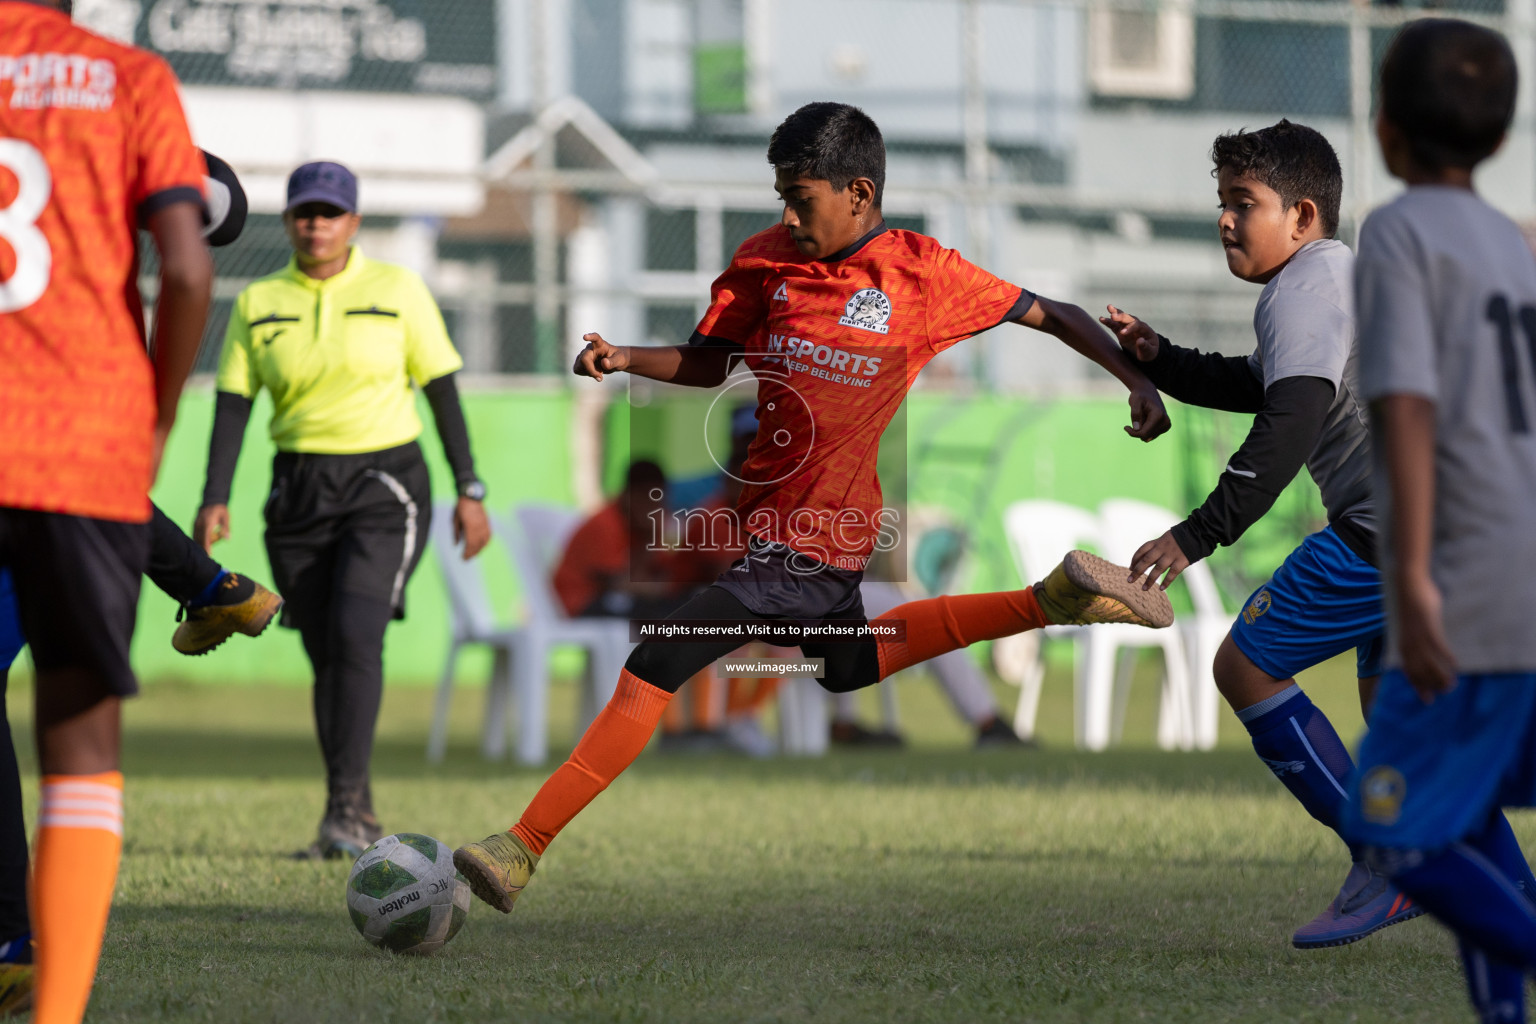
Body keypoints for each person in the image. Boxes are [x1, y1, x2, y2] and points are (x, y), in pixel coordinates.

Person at [453, 101, 1176, 914]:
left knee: (658, 657)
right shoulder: (764, 262)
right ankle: (1049, 601)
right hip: (769, 531)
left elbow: (1054, 313)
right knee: (849, 665)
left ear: (859, 193)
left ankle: (522, 846)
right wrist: (627, 358)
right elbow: (711, 361)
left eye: (802, 198)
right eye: (782, 198)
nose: (788, 217)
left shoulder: (922, 273)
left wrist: (1136, 379)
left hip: (819, 536)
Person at [1103, 119, 1512, 948]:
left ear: (1302, 217)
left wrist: (1196, 535)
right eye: (1220, 202)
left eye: (1242, 203)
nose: (1224, 219)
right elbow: (1265, 386)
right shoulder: (1332, 281)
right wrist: (1163, 357)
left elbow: (1291, 419)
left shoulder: (1312, 285)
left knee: (1244, 667)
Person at [0, 143, 267, 1018]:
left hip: (35, 405)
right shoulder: (114, 92)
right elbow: (194, 252)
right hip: (68, 405)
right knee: (76, 717)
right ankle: (209, 583)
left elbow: (193, 251)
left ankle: (17, 946)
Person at [195, 161, 492, 860]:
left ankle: (350, 812)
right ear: (289, 220)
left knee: (358, 633)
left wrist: (470, 490)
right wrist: (215, 495)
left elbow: (443, 389)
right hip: (296, 491)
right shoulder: (258, 301)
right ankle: (344, 812)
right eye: (305, 212)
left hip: (384, 484)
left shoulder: (397, 290)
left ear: (353, 222)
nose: (317, 224)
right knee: (326, 649)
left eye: (331, 213)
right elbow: (234, 405)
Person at [1340, 21, 1536, 1023]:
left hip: (1470, 578)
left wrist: (1410, 575)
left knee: (1392, 831)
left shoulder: (1397, 231)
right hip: (1527, 565)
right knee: (1461, 820)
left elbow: (1406, 406)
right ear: (1499, 140)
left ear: (1384, 128)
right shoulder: (1512, 241)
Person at [552, 460, 684, 621]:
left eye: (658, 499)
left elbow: (653, 570)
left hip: (612, 597)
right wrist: (665, 589)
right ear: (628, 494)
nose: (652, 505)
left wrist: (650, 535)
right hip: (579, 600)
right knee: (651, 615)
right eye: (644, 497)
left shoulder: (645, 524)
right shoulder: (606, 524)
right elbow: (619, 583)